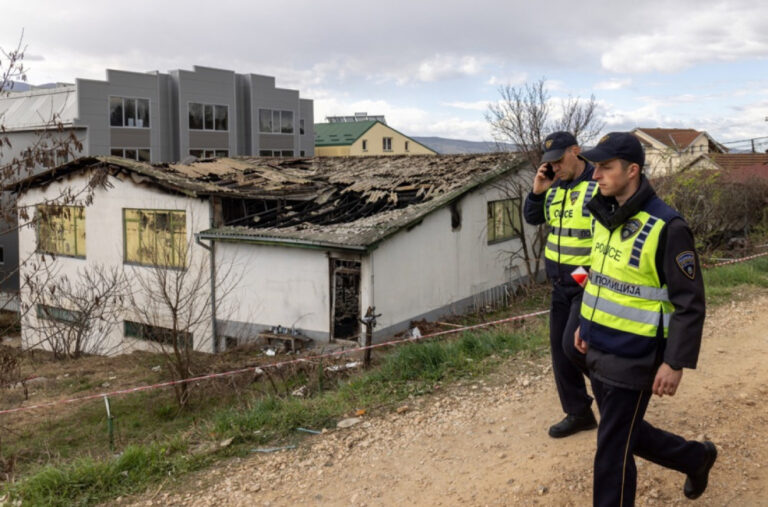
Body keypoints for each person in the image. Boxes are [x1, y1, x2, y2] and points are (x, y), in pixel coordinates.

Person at [575, 132, 717, 506]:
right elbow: (602, 280)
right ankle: (696, 457)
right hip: (598, 347)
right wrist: (584, 326)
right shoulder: (602, 216)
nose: (595, 176)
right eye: (595, 167)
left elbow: (690, 304)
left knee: (612, 454)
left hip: (636, 358)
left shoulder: (668, 227)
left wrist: (674, 361)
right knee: (623, 434)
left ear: (632, 170)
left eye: (605, 168)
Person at [523, 131, 598, 438]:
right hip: (559, 283)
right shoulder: (555, 186)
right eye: (548, 162)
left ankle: (617, 387)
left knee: (573, 345)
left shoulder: (598, 183)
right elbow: (532, 217)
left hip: (586, 282)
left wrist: (585, 276)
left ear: (575, 151)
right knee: (559, 350)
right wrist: (538, 190)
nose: (554, 166)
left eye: (558, 159)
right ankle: (578, 412)